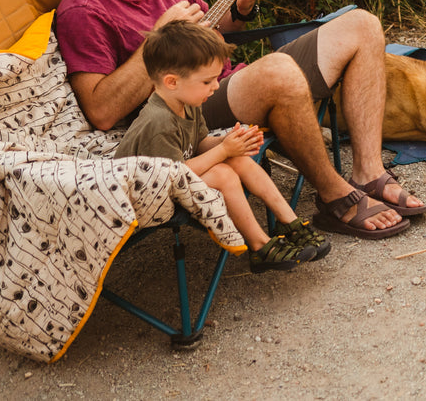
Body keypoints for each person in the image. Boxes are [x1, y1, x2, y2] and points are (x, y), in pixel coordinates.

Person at [53, 0, 426, 239]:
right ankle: (335, 196)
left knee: (362, 24)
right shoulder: (82, 12)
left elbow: (210, 34)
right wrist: (157, 40)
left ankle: (367, 172)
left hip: (226, 81)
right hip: (183, 110)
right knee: (278, 71)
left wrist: (243, 8)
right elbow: (101, 112)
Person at [116, 19, 330, 271]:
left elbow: (200, 143)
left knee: (236, 159)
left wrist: (231, 144)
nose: (216, 86)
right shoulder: (159, 121)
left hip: (170, 180)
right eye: (207, 82)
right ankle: (260, 246)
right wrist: (223, 151)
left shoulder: (187, 102)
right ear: (172, 82)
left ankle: (290, 222)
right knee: (223, 173)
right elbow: (174, 174)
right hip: (139, 198)